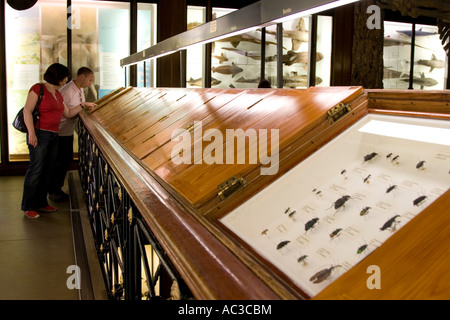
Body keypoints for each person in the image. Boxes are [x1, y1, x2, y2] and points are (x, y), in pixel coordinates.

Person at [21, 63, 93, 218]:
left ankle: (41, 202)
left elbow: (67, 113)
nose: (66, 80)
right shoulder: (38, 89)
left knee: (48, 170)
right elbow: (27, 110)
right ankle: (29, 206)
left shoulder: (57, 94)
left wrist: (82, 105)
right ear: (58, 77)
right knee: (36, 170)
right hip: (40, 135)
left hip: (54, 135)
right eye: (64, 77)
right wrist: (31, 133)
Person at [48, 67, 96, 202]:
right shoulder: (67, 91)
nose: (90, 83)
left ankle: (56, 188)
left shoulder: (80, 89)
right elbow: (67, 113)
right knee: (60, 162)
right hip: (60, 131)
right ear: (82, 77)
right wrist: (82, 105)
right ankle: (54, 191)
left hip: (67, 131)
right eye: (90, 80)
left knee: (65, 160)